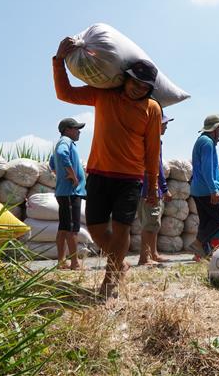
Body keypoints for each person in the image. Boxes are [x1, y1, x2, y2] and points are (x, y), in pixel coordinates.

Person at [53, 37, 162, 300]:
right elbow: (65, 93)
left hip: (130, 178)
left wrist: (153, 185)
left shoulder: (152, 109)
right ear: (124, 78)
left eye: (143, 86)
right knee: (98, 228)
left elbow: (152, 150)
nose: (137, 89)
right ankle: (120, 262)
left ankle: (110, 279)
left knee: (122, 227)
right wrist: (58, 61)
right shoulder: (103, 95)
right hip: (99, 174)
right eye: (134, 82)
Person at [188, 114, 219, 258]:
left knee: (206, 221)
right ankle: (198, 243)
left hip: (198, 189)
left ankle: (202, 251)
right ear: (214, 129)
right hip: (206, 189)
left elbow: (206, 167)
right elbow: (206, 169)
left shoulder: (201, 141)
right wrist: (214, 190)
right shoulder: (207, 143)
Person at [49, 117, 87, 270]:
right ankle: (75, 263)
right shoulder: (65, 142)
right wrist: (71, 174)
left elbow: (52, 162)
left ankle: (61, 261)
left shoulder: (65, 142)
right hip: (71, 192)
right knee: (73, 228)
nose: (79, 132)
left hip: (64, 192)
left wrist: (60, 174)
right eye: (76, 128)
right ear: (67, 130)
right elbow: (61, 154)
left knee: (64, 227)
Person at [137, 112, 174, 266]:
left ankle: (153, 253)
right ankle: (144, 258)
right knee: (150, 224)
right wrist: (164, 189)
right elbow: (155, 166)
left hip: (146, 187)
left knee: (153, 223)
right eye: (164, 123)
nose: (166, 126)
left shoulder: (147, 139)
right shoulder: (152, 140)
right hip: (150, 188)